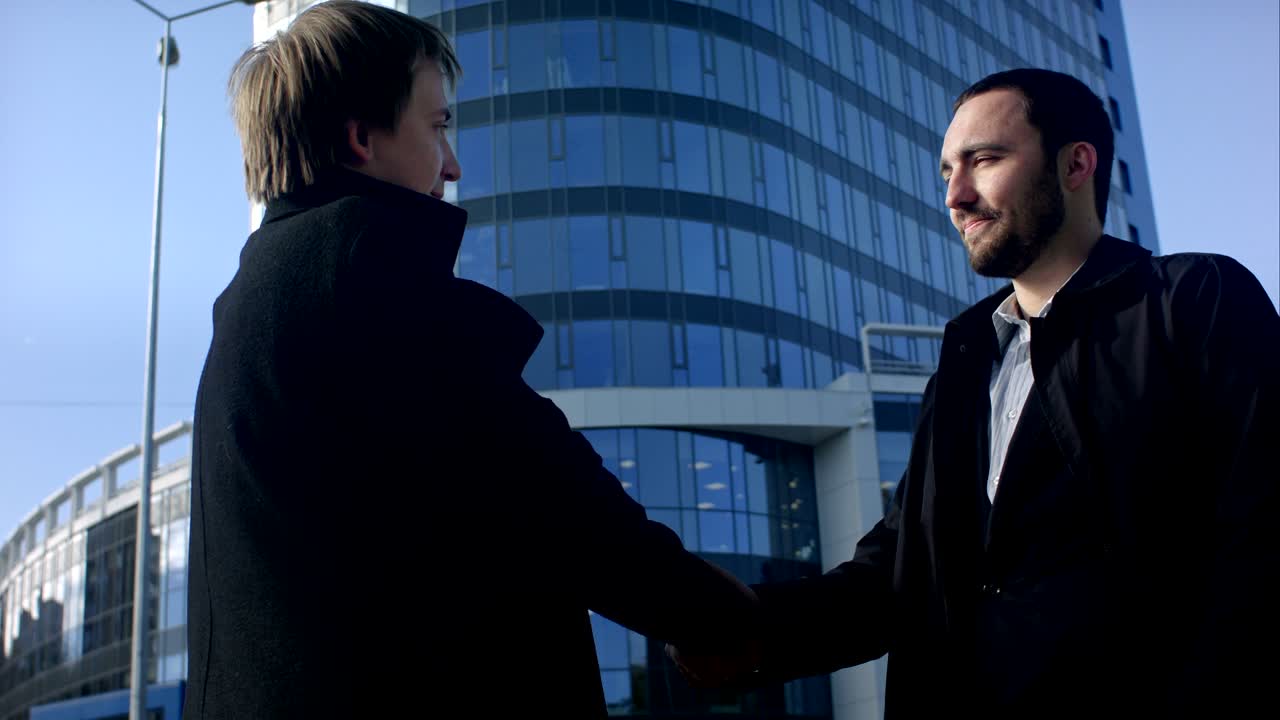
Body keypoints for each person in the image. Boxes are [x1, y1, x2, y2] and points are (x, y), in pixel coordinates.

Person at [184, 3, 757, 718]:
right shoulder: (370, 275)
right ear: (362, 137)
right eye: (438, 126)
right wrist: (712, 615)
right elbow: (546, 490)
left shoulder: (252, 297)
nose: (452, 166)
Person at [669, 68, 1278, 718]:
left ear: (1076, 165)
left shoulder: (1196, 299)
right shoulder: (963, 365)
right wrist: (755, 625)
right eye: (947, 172)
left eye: (984, 160)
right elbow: (902, 572)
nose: (956, 196)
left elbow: (1262, 530)